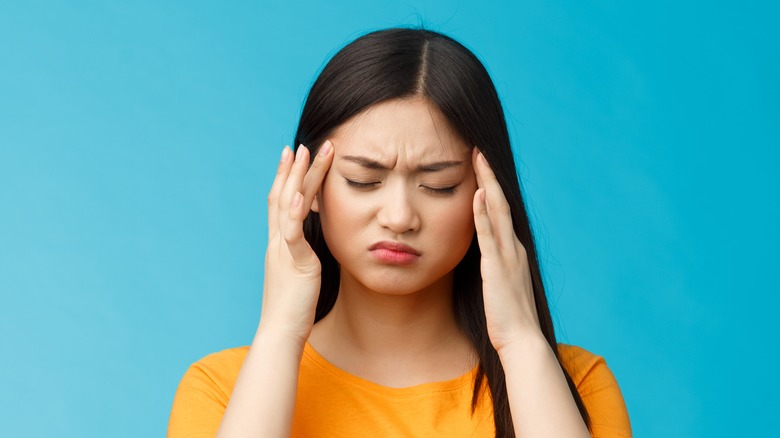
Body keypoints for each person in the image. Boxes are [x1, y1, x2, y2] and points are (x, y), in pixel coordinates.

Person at [167, 28, 631, 438]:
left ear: (487, 194)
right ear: (307, 186)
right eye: (363, 180)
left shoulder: (576, 384)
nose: (399, 216)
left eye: (439, 185)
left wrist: (523, 344)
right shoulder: (221, 389)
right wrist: (280, 333)